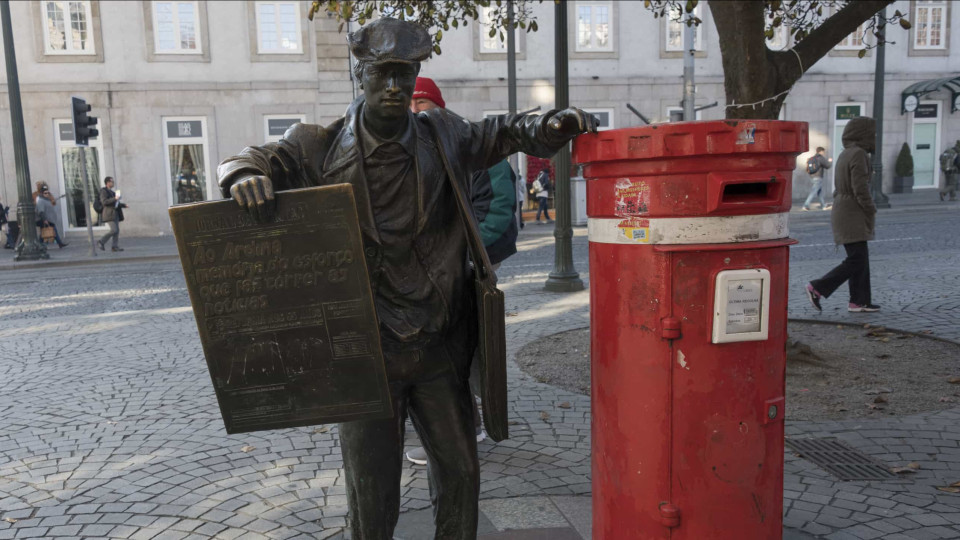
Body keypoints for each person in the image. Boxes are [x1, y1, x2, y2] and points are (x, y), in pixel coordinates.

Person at [217, 17, 597, 539]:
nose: (396, 86)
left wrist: (551, 127)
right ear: (362, 74)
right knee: (373, 497)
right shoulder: (316, 147)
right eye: (384, 74)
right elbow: (254, 158)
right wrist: (242, 175)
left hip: (439, 347)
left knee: (461, 474)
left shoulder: (443, 134)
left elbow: (504, 132)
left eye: (406, 74)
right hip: (366, 355)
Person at [404, 76, 522, 466]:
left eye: (421, 104)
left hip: (473, 260)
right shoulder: (415, 150)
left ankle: (468, 423)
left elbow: (499, 213)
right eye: (410, 105)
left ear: (438, 106)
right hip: (440, 264)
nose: (414, 112)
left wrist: (463, 257)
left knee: (461, 339)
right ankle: (460, 419)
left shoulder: (473, 145)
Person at [805, 117, 880, 313]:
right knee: (857, 259)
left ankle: (859, 301)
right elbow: (860, 187)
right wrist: (870, 207)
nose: (875, 138)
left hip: (845, 209)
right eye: (872, 134)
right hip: (852, 212)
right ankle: (818, 287)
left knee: (860, 258)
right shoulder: (859, 154)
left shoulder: (846, 153)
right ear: (863, 135)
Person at [97, 176, 127, 252]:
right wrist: (115, 198)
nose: (113, 183)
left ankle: (114, 247)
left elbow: (116, 203)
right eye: (112, 182)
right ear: (107, 183)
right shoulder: (103, 191)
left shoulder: (113, 192)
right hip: (108, 214)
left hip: (115, 213)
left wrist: (123, 205)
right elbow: (104, 202)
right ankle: (101, 241)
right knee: (114, 230)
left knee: (117, 231)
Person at [34, 183, 68, 248]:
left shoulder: (47, 200)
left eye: (48, 193)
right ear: (42, 193)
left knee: (44, 232)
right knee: (51, 231)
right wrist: (45, 220)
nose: (47, 194)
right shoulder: (41, 201)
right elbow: (41, 212)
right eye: (45, 193)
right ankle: (59, 243)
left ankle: (40, 244)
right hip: (44, 219)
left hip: (48, 219)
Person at [801, 146, 832, 211]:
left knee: (819, 192)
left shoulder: (813, 158)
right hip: (818, 177)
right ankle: (805, 205)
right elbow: (828, 166)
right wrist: (830, 161)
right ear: (821, 151)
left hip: (812, 176)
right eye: (823, 152)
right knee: (813, 191)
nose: (824, 153)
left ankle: (823, 205)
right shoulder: (820, 158)